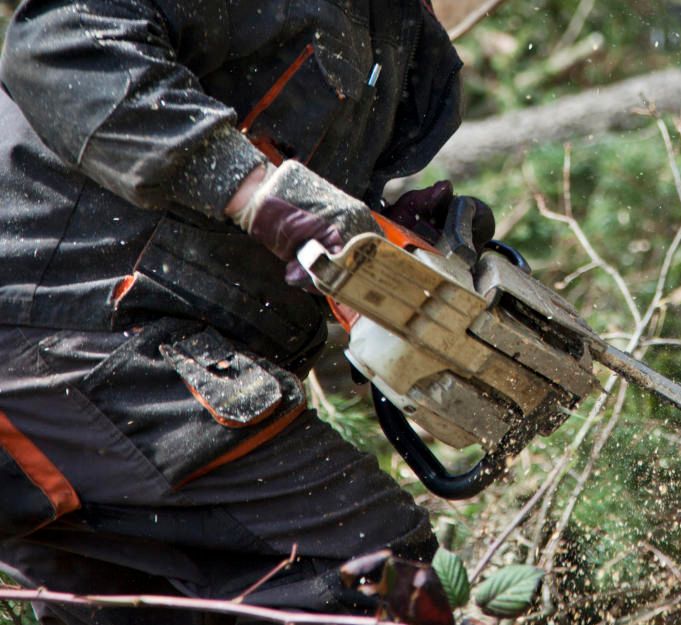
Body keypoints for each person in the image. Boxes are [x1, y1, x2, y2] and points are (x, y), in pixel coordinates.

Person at [0, 1, 468, 622]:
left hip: (129, 369)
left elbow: (306, 206)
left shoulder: (404, 44)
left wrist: (385, 246)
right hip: (67, 328)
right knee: (371, 571)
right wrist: (255, 192)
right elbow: (64, 44)